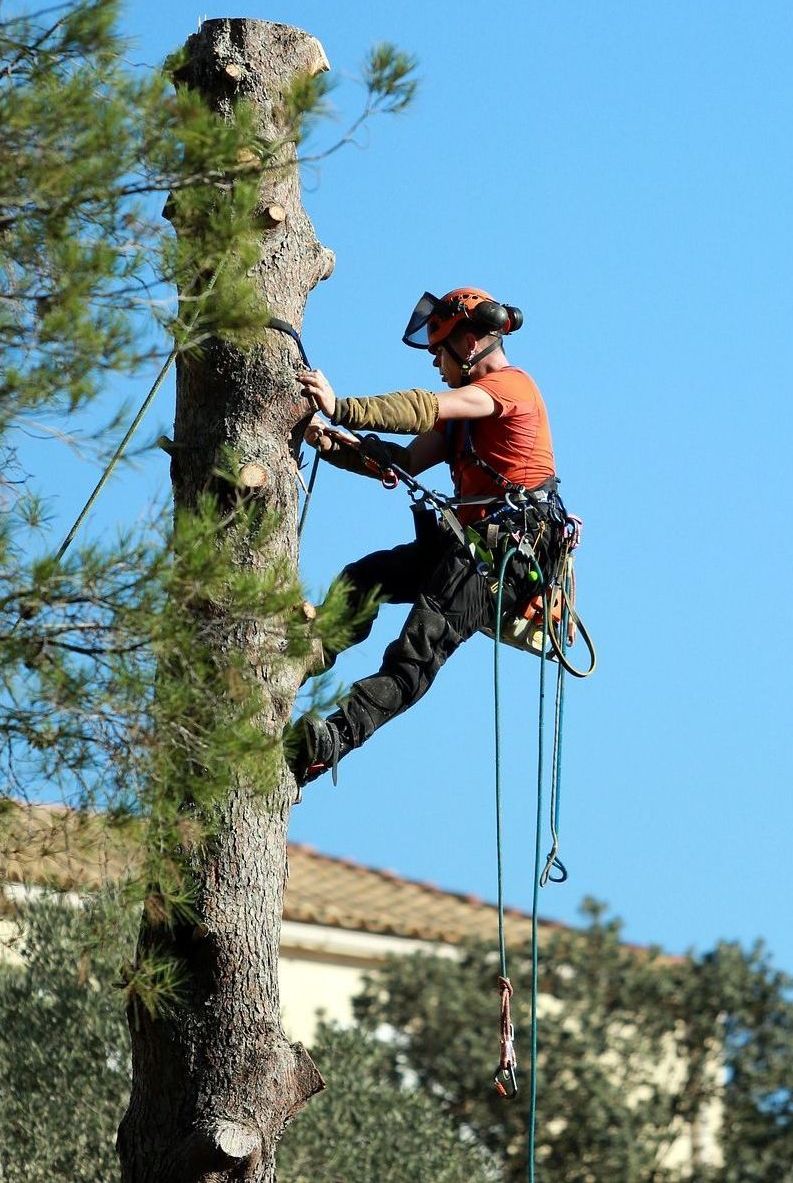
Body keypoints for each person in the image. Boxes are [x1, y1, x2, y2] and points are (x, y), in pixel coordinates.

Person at [290, 287, 563, 788]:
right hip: (469, 544)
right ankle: (307, 652)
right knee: (364, 578)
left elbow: (421, 407)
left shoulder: (508, 389)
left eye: (440, 350)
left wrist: (342, 407)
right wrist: (332, 444)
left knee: (416, 651)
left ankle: (332, 741)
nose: (435, 362)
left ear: (470, 343)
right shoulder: (463, 422)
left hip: (506, 555)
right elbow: (407, 460)